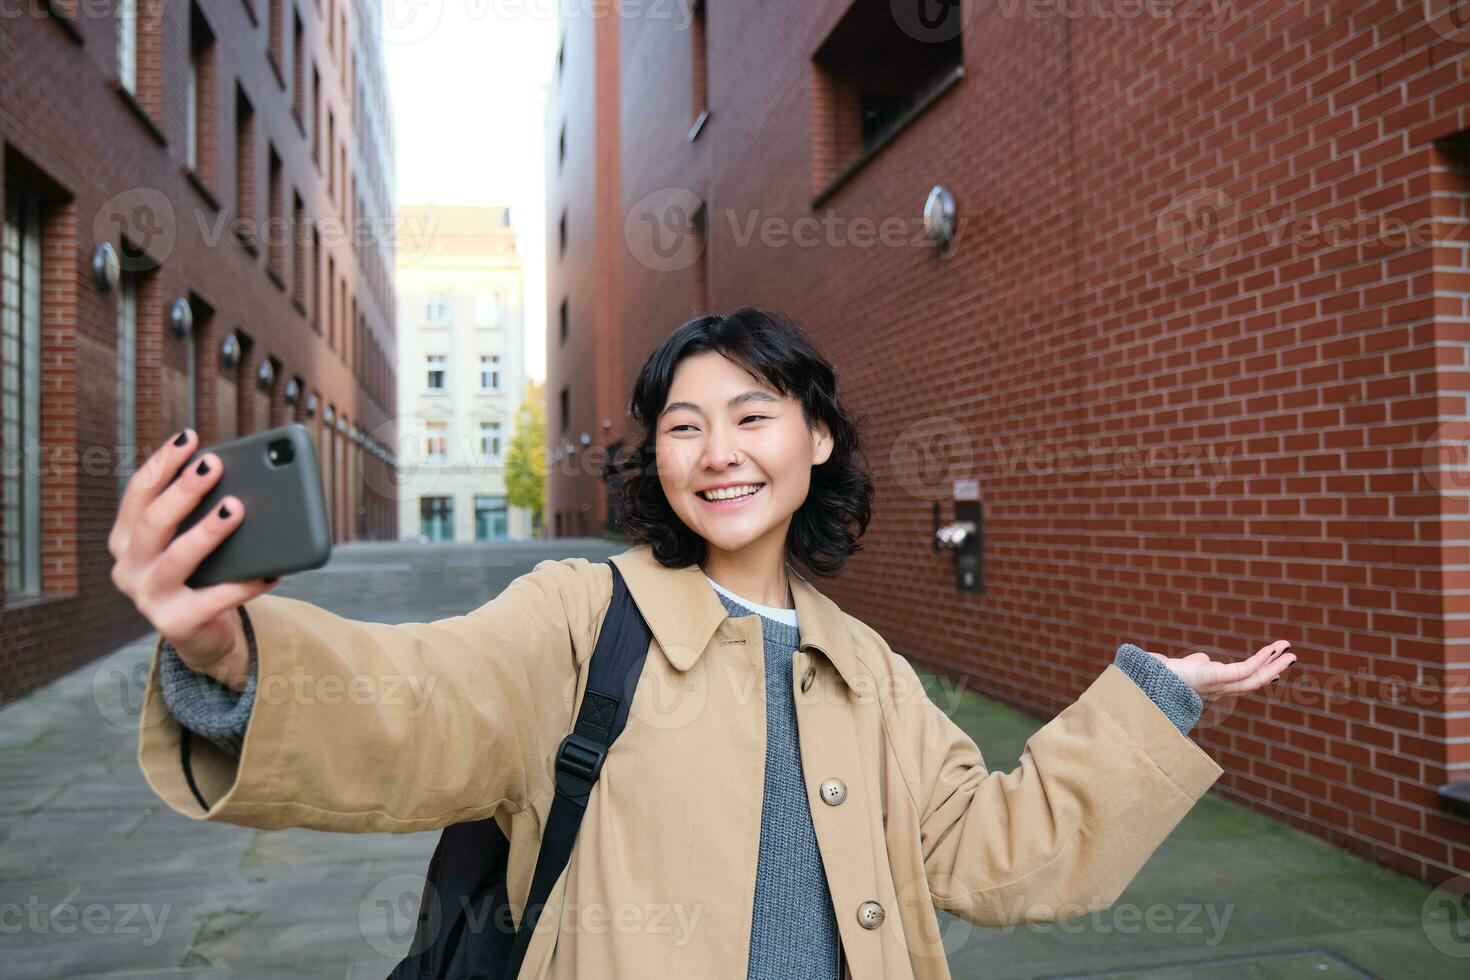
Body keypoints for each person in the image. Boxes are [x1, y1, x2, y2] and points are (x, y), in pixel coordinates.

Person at [111, 308, 1296, 980]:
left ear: (817, 438)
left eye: (751, 415)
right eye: (683, 425)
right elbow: (418, 704)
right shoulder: (579, 617)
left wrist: (1152, 701)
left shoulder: (865, 665)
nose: (716, 449)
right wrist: (231, 656)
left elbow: (998, 849)